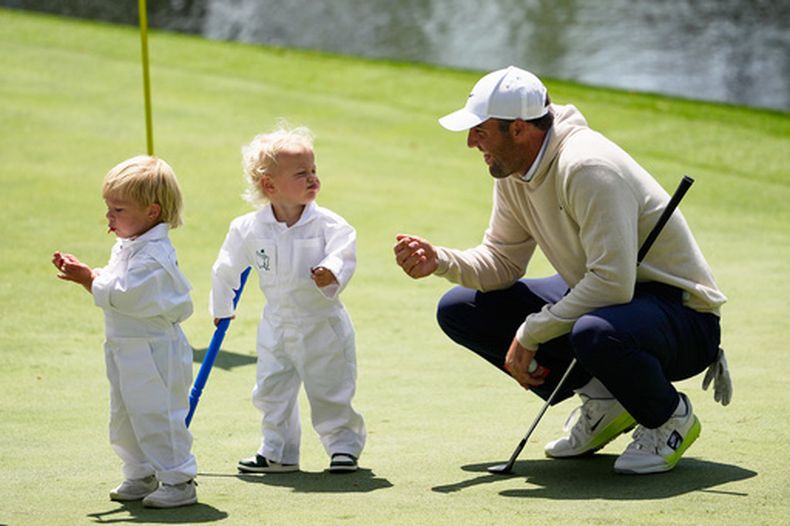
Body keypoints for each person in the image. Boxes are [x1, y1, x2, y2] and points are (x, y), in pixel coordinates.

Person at [394, 66, 732, 474]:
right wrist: (441, 261)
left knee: (596, 332)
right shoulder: (514, 171)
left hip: (683, 318)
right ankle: (606, 401)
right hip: (615, 304)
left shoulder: (587, 166)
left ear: (518, 129)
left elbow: (612, 284)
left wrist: (531, 330)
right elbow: (502, 262)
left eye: (480, 131)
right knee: (461, 307)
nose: (470, 142)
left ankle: (667, 416)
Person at [210, 124, 365, 474]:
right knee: (270, 388)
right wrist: (222, 306)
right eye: (301, 174)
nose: (313, 179)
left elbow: (344, 251)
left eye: (313, 171)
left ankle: (343, 445)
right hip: (276, 324)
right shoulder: (248, 228)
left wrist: (331, 271)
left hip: (321, 323)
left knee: (330, 387)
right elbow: (225, 267)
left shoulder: (328, 224)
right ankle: (278, 450)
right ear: (269, 185)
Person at [52, 156, 198, 507]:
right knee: (125, 414)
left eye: (117, 209)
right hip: (125, 346)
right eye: (108, 208)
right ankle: (140, 472)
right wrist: (92, 272)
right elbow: (117, 281)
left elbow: (127, 294)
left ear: (151, 212)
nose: (109, 217)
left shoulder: (155, 255)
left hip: (154, 350)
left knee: (157, 414)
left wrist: (89, 280)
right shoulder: (131, 244)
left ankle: (178, 479)